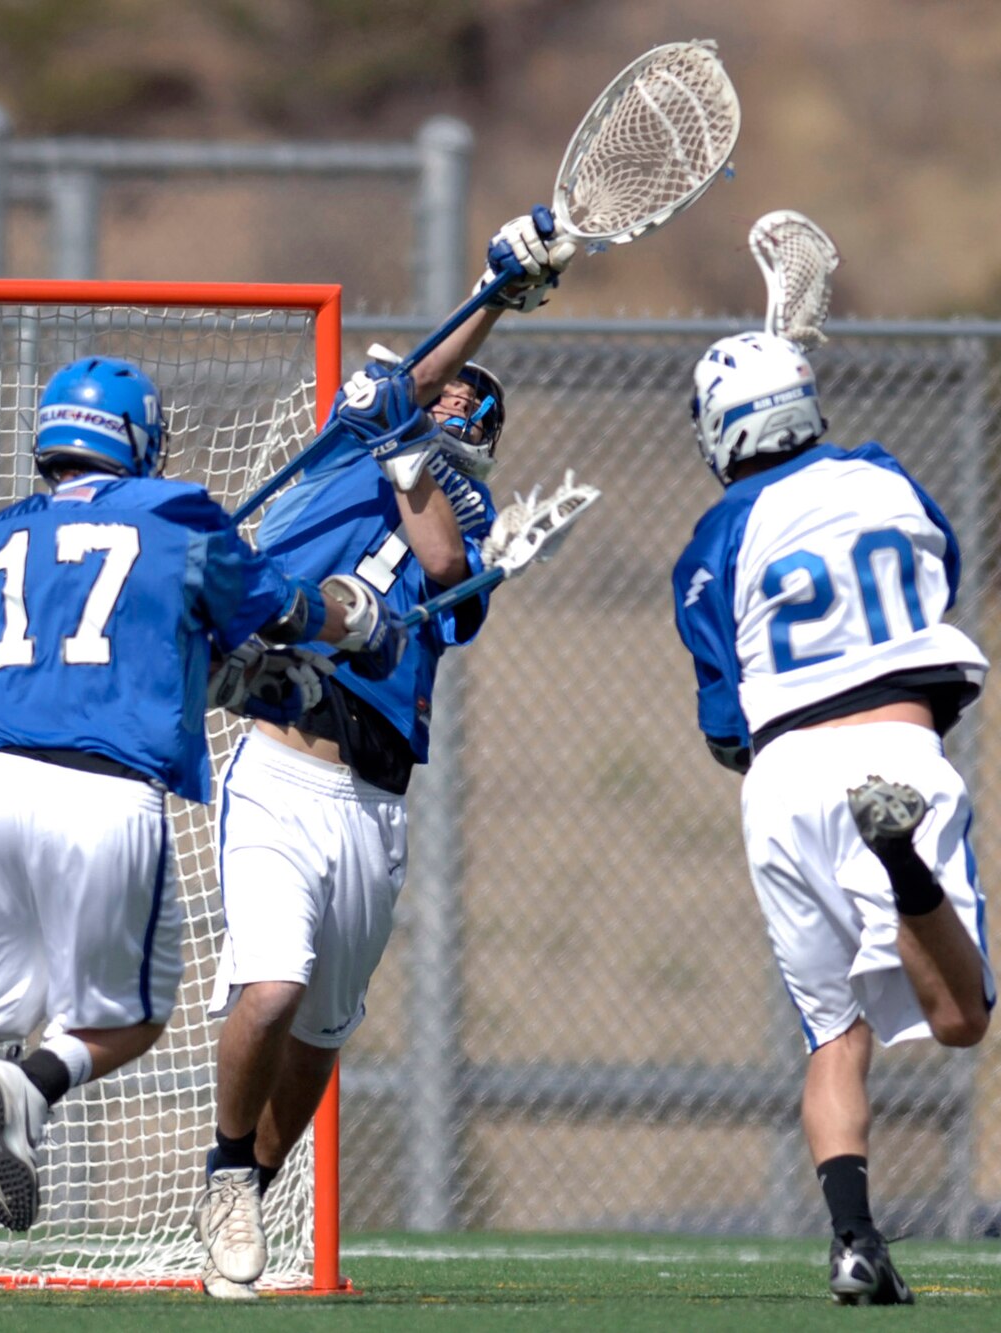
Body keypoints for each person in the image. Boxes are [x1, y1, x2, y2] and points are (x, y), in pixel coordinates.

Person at [0, 354, 407, 1307]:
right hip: (103, 793)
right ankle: (33, 1080)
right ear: (139, 438)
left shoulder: (0, 535)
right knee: (132, 1016)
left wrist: (223, 658)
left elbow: (130, 630)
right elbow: (271, 603)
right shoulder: (180, 516)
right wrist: (352, 621)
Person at [192, 210, 576, 1298]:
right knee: (269, 990)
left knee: (319, 1037)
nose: (454, 404)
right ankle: (224, 1173)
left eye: (473, 408)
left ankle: (247, 1199)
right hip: (279, 764)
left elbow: (443, 563)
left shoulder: (465, 508)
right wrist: (496, 290)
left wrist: (414, 457)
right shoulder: (357, 438)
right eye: (445, 394)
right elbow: (405, 383)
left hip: (372, 793)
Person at [669, 331, 995, 1306]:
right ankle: (903, 873)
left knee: (831, 1035)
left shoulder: (711, 539)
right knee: (959, 1019)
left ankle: (852, 1241)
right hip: (889, 753)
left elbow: (724, 725)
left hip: (777, 782)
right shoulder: (885, 476)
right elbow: (939, 577)